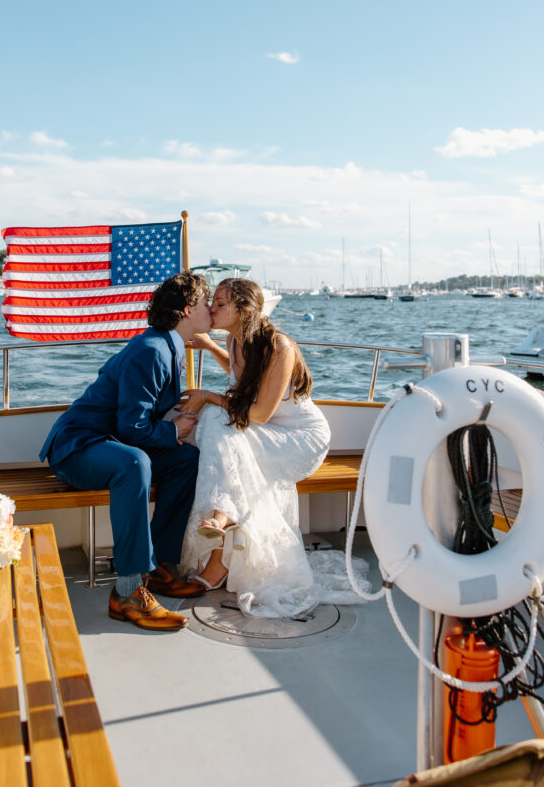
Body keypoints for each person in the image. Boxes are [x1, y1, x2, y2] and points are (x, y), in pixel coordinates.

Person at [179, 278, 370, 618]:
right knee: (218, 426)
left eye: (220, 303)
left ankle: (221, 526)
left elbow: (259, 414)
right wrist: (210, 347)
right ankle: (221, 538)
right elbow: (242, 374)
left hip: (299, 439)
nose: (211, 309)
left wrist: (208, 395)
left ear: (245, 310)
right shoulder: (235, 340)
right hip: (265, 432)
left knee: (216, 419)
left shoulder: (280, 347)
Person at [40, 270, 212, 632]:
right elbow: (130, 427)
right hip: (78, 448)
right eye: (203, 303)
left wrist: (174, 432)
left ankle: (160, 567)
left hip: (112, 445)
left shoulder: (169, 346)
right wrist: (171, 429)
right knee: (135, 463)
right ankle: (128, 592)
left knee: (185, 460)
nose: (210, 308)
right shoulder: (150, 350)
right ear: (185, 311)